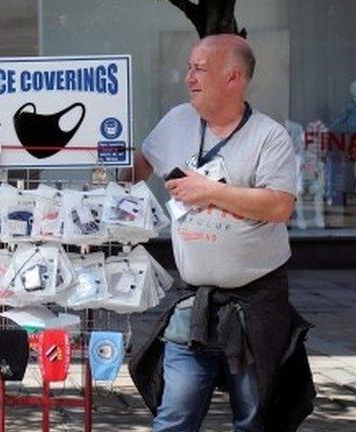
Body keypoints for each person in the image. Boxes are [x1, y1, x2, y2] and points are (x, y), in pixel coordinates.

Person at [128, 34, 315, 431]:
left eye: (200, 68)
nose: (188, 77)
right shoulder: (177, 121)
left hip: (255, 304)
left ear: (233, 78)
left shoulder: (269, 135)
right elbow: (134, 170)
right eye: (190, 67)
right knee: (174, 416)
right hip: (194, 301)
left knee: (252, 419)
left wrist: (209, 191)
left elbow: (280, 205)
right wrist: (97, 147)